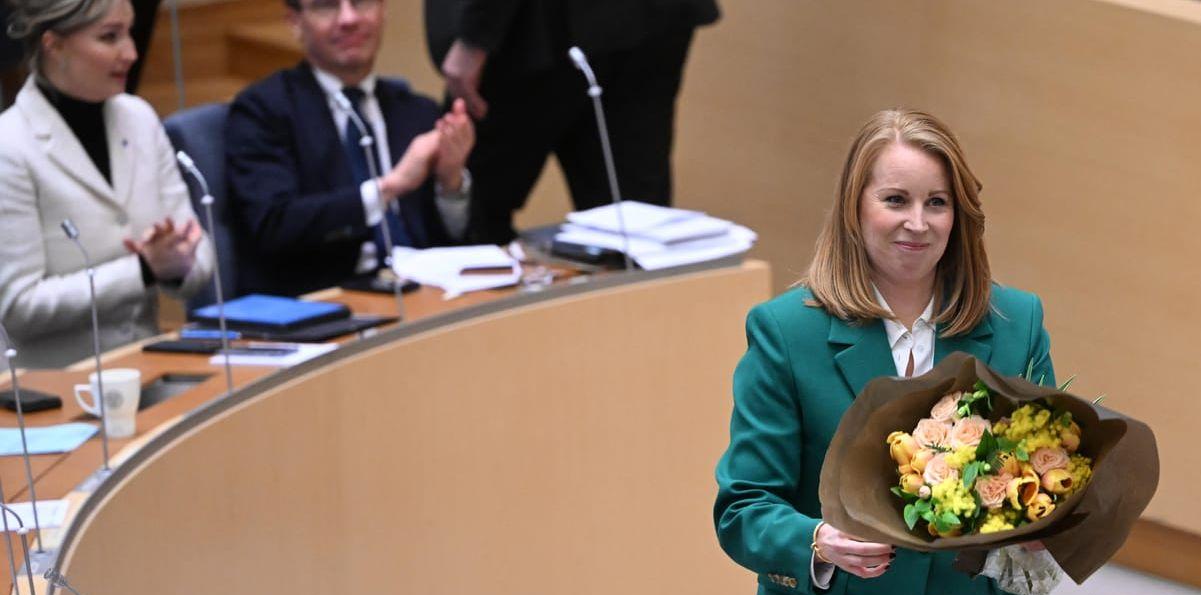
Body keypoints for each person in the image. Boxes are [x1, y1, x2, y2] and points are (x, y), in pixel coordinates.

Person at [714, 109, 1050, 595]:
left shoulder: (1016, 326)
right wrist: (817, 540)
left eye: (936, 203)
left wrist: (1036, 519)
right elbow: (743, 507)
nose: (916, 223)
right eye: (894, 199)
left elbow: (1048, 479)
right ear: (854, 208)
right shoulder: (786, 333)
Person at [0, 0, 215, 368]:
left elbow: (200, 252)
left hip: (149, 367)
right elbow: (20, 307)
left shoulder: (140, 118)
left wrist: (180, 261)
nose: (131, 53)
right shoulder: (10, 145)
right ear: (55, 45)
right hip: (58, 392)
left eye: (129, 33)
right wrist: (144, 270)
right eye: (109, 37)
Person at [226, 0, 475, 298]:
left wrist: (450, 184)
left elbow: (457, 241)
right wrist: (389, 187)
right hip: (323, 302)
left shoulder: (417, 110)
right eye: (326, 7)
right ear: (295, 21)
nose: (349, 19)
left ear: (383, 11)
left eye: (361, 2)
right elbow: (274, 225)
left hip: (424, 296)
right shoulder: (263, 111)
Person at [424, 0, 719, 244]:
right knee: (629, 220)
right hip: (654, 18)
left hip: (534, 28)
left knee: (469, 217)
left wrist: (477, 34)